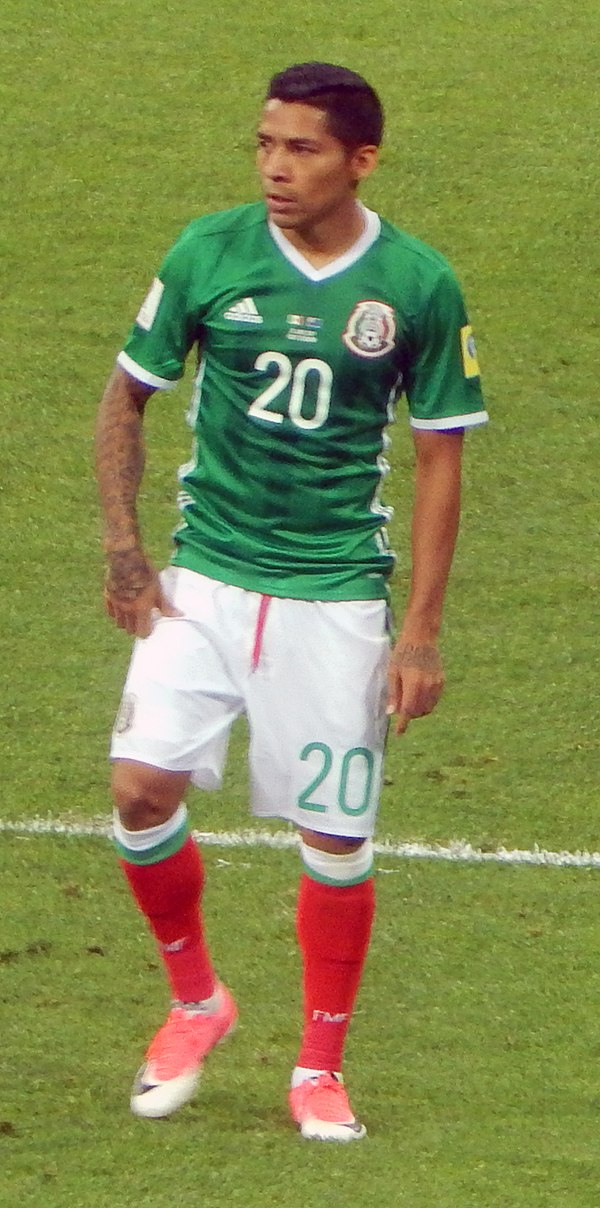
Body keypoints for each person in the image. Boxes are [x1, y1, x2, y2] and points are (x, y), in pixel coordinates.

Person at [95, 61, 487, 1143]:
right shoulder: (207, 251)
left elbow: (440, 459)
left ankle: (318, 1066)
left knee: (334, 829)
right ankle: (197, 999)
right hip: (206, 576)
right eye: (265, 143)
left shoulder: (415, 283)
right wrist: (129, 555)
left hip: (333, 596)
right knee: (137, 787)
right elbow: (128, 393)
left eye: (303, 148)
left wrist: (420, 630)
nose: (276, 166)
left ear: (362, 159)